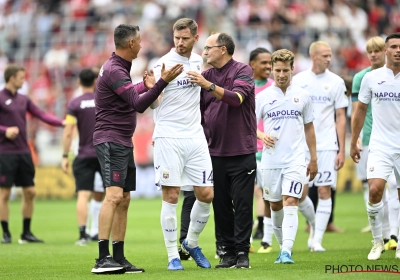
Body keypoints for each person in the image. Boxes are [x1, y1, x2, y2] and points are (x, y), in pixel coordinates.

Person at [91, 24, 183, 274]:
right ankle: (102, 259)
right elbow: (137, 105)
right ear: (130, 43)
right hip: (110, 139)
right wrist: (162, 82)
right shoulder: (114, 69)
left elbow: (129, 95)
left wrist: (146, 85)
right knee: (113, 196)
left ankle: (118, 257)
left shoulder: (119, 66)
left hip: (121, 140)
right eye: (139, 41)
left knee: (124, 198)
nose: (142, 44)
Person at [187, 32, 256, 269]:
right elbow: (198, 112)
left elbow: (237, 99)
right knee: (222, 205)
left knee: (243, 204)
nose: (204, 52)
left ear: (223, 49)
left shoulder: (242, 70)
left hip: (241, 150)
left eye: (208, 47)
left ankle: (242, 253)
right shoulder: (204, 76)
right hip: (213, 151)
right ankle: (227, 252)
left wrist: (209, 86)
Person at [150, 18, 214, 271]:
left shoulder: (199, 61)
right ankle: (172, 255)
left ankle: (191, 241)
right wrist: (153, 88)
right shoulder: (162, 63)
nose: (180, 42)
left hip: (195, 136)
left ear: (195, 38)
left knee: (206, 194)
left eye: (185, 38)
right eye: (177, 37)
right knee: (172, 195)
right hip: (168, 136)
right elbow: (153, 103)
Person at [256, 49, 318, 264]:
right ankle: (283, 246)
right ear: (271, 70)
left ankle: (287, 251)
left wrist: (313, 158)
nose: (281, 74)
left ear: (293, 69)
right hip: (271, 161)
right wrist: (262, 135)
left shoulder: (303, 96)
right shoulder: (262, 97)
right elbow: (248, 127)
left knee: (291, 200)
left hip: (295, 159)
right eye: (277, 70)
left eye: (285, 70)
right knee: (275, 205)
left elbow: (309, 128)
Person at [292, 41, 348, 252]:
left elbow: (341, 117)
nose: (329, 59)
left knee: (324, 191)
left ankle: (317, 240)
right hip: (302, 146)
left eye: (330, 55)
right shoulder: (298, 81)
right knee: (299, 194)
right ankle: (314, 224)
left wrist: (342, 149)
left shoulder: (336, 82)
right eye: (325, 55)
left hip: (326, 145)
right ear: (313, 56)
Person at [0, 64, 64, 244]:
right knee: (4, 194)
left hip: (23, 151)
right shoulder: (0, 97)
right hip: (5, 152)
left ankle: (26, 233)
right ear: (12, 78)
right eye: (21, 77)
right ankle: (5, 233)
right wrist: (4, 130)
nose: (23, 80)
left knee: (30, 191)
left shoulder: (23, 99)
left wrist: (61, 123)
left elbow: (41, 115)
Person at [350, 32, 400, 261]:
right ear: (386, 50)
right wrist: (353, 140)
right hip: (380, 145)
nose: (398, 50)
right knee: (375, 190)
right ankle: (377, 241)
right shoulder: (372, 78)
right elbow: (360, 110)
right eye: (394, 46)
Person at [61, 68, 103, 246]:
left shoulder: (74, 103)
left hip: (83, 154)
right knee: (106, 194)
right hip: (103, 153)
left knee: (83, 195)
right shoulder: (103, 100)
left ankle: (83, 234)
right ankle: (101, 233)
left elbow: (68, 132)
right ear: (95, 81)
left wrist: (64, 155)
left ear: (79, 82)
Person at [248, 47, 274, 253]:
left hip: (269, 151)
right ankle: (246, 240)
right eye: (264, 62)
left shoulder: (275, 87)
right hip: (247, 149)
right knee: (245, 194)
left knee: (267, 194)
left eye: (270, 62)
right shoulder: (245, 87)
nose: (268, 66)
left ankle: (266, 235)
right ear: (252, 65)